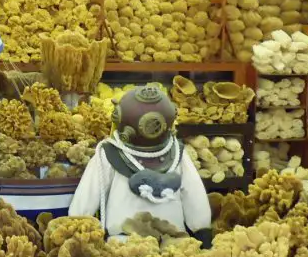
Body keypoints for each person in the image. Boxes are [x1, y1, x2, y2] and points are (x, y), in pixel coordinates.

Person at [69, 83, 211, 240]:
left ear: (119, 118)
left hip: (126, 239)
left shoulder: (110, 153)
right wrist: (202, 230)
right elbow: (194, 195)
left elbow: (87, 196)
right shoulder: (176, 154)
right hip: (169, 240)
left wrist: (76, 224)